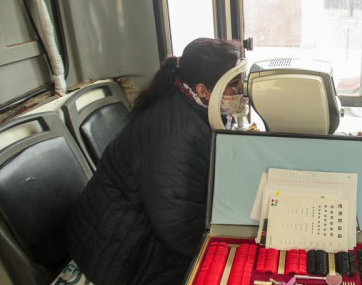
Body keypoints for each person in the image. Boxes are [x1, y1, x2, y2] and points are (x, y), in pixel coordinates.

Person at [66, 38, 247, 285]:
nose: (240, 91)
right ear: (204, 90)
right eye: (233, 85)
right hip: (121, 253)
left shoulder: (190, 104)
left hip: (139, 231)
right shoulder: (178, 136)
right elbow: (180, 231)